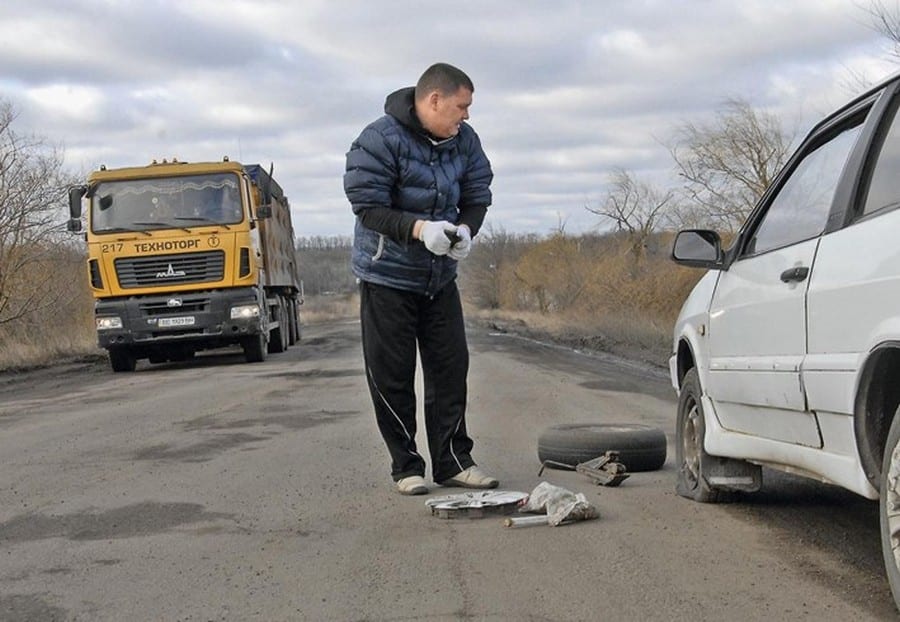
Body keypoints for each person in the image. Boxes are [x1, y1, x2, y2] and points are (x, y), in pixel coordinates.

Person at [344, 62, 497, 496]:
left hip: (438, 277)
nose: (466, 116)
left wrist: (466, 228)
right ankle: (406, 465)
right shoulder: (379, 139)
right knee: (392, 373)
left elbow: (477, 194)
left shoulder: (465, 141)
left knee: (451, 368)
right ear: (434, 100)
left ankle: (453, 463)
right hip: (386, 274)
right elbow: (367, 205)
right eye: (461, 106)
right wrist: (419, 229)